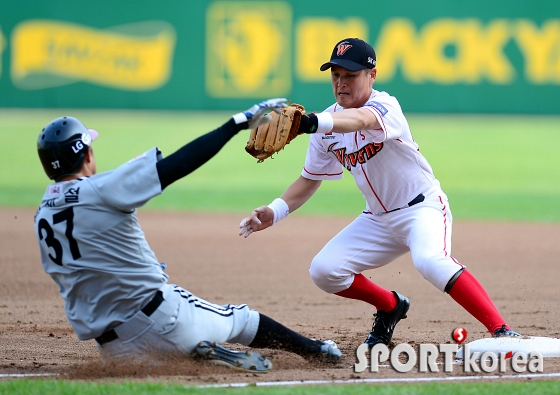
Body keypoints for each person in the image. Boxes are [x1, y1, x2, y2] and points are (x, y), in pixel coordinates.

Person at [239, 38, 521, 349]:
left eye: (350, 75)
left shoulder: (385, 106)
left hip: (422, 209)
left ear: (371, 76)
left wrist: (312, 122)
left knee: (430, 261)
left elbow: (360, 120)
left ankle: (502, 330)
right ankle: (390, 306)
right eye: (335, 75)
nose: (341, 83)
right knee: (324, 270)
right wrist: (275, 210)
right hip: (377, 219)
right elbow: (310, 178)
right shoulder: (324, 126)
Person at [34, 100, 341, 373]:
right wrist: (237, 122)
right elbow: (177, 165)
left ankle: (195, 350)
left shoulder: (42, 215)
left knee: (165, 354)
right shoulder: (100, 189)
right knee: (240, 319)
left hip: (113, 349)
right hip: (163, 318)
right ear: (87, 153)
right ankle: (316, 350)